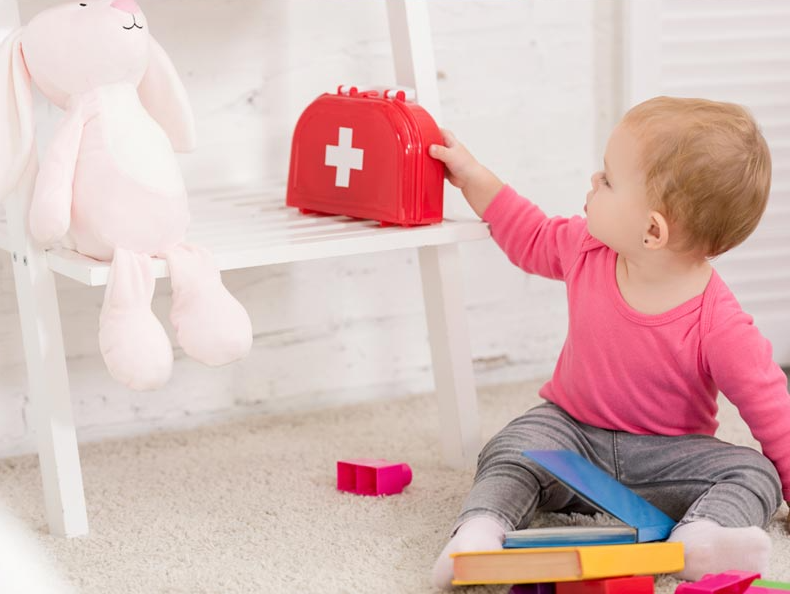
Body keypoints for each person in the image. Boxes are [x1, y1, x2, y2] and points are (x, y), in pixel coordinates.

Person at [428, 96, 790, 588]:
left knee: (754, 473)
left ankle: (701, 538)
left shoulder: (720, 324)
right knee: (514, 445)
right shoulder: (586, 247)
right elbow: (529, 233)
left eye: (609, 179)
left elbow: (772, 412)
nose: (593, 182)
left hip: (670, 457)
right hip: (572, 435)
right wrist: (472, 175)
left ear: (652, 230)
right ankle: (480, 531)